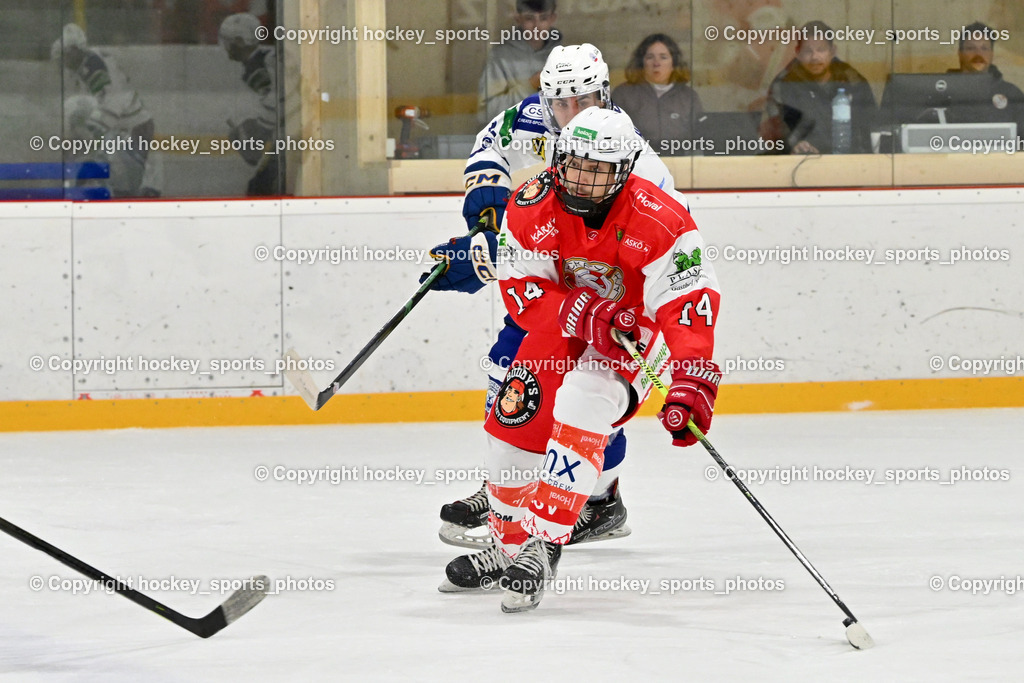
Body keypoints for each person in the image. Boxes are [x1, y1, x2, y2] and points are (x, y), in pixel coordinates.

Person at [439, 108, 721, 613]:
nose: (582, 178)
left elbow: (689, 300)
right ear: (559, 157)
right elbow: (523, 292)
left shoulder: (661, 218)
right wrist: (582, 314)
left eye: (599, 169)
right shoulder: (531, 203)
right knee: (510, 430)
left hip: (631, 335)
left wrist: (691, 377)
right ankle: (506, 549)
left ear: (625, 169)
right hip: (565, 325)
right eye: (575, 163)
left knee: (584, 401)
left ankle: (543, 544)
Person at [429, 43, 690, 550]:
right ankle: (509, 484)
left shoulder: (632, 157)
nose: (573, 113)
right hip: (559, 283)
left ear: (605, 95)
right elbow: (491, 148)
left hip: (615, 298)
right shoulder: (534, 119)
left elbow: (660, 246)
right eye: (562, 103)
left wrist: (498, 257)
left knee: (589, 398)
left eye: (585, 100)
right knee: (510, 369)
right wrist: (487, 228)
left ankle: (599, 498)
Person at [52, 23, 162, 197]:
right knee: (125, 192)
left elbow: (111, 104)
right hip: (133, 126)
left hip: (132, 129)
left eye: (66, 55)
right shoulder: (93, 59)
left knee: (131, 193)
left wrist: (90, 144)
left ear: (75, 50)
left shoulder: (93, 66)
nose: (64, 61)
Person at [760, 20, 876, 154]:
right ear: (797, 53)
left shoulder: (852, 81)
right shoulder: (784, 83)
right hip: (801, 164)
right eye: (808, 51)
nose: (815, 57)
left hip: (849, 163)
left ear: (832, 51)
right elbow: (776, 133)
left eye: (821, 50)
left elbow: (870, 131)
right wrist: (794, 146)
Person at [611, 34, 704, 157]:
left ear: (674, 64)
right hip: (636, 168)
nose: (656, 63)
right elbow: (611, 139)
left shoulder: (688, 97)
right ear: (641, 63)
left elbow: (699, 141)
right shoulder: (623, 94)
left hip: (679, 168)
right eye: (650, 57)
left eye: (663, 57)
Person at [218, 13, 280, 196]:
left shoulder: (257, 69)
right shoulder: (268, 57)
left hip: (293, 138)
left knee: (259, 188)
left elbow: (277, 103)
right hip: (289, 136)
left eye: (228, 41)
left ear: (239, 41)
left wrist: (254, 129)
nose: (225, 47)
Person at [477, 0, 561, 123]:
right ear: (518, 18)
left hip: (552, 138)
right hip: (511, 138)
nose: (536, 26)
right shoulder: (500, 58)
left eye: (543, 18)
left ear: (552, 18)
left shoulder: (562, 55)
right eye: (529, 18)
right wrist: (529, 86)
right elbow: (485, 113)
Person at [946, 21, 1024, 132]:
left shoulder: (1012, 94)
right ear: (960, 54)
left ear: (992, 54)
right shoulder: (942, 94)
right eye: (971, 48)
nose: (978, 54)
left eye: (984, 48)